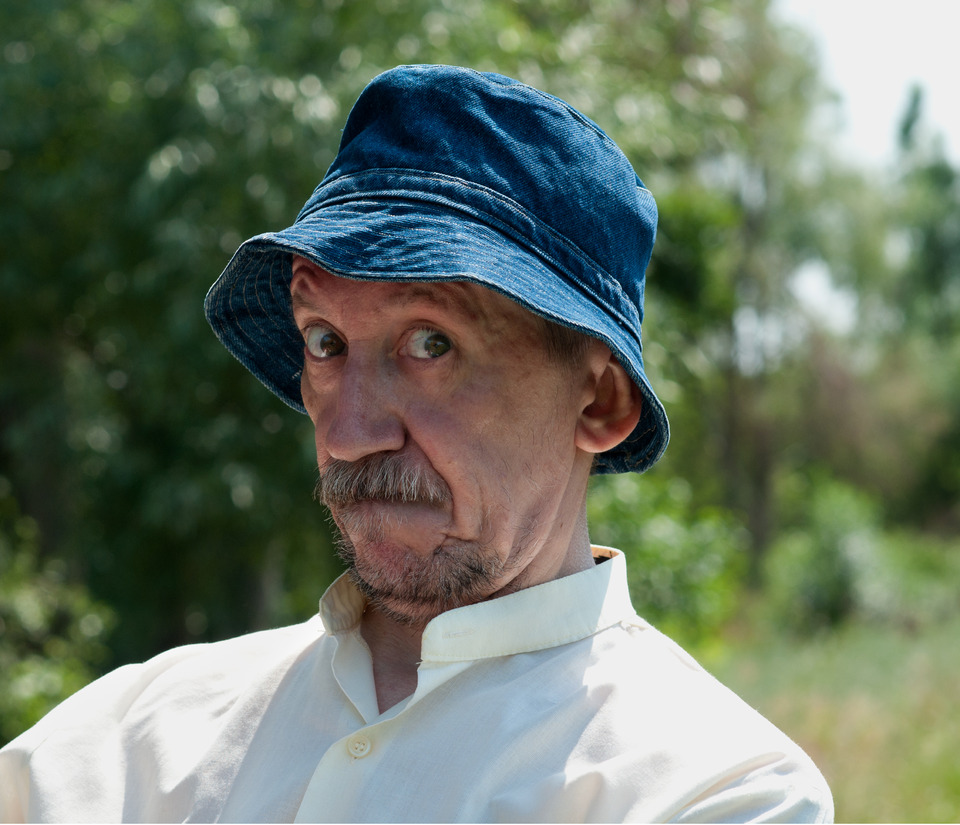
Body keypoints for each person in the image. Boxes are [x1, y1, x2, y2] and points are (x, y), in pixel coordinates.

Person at [0, 64, 833, 823]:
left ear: (601, 399)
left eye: (430, 343)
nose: (351, 432)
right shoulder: (129, 739)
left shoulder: (714, 788)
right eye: (325, 342)